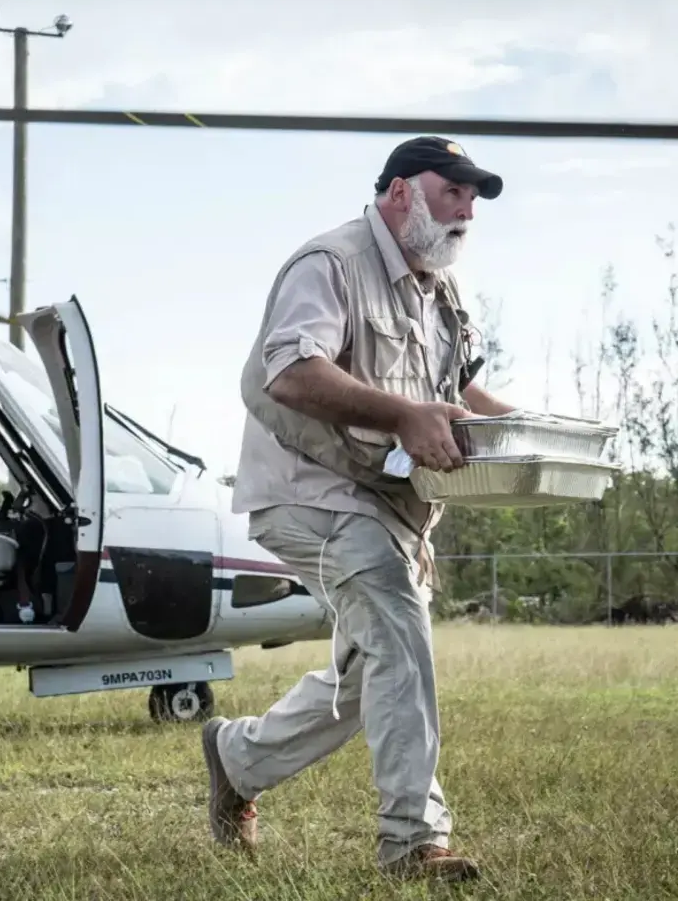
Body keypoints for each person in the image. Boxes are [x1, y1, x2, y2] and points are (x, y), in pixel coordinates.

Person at [201, 136, 517, 883]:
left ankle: (235, 758)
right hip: (306, 492)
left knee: (368, 671)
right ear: (401, 191)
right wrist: (405, 415)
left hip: (386, 504)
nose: (467, 211)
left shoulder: (440, 289)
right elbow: (289, 371)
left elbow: (460, 390)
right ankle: (413, 840)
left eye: (474, 200)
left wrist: (537, 435)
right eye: (454, 192)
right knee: (399, 634)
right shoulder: (330, 262)